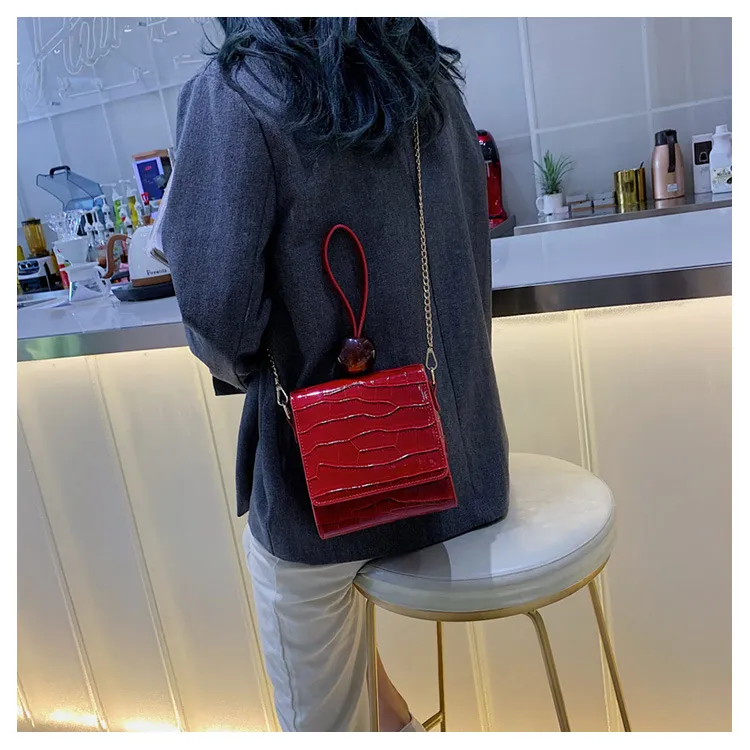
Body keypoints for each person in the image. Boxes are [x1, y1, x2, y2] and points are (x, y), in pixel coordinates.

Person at [160, 17, 509, 732]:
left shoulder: (238, 91)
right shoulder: (426, 72)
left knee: (311, 664)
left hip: (328, 497)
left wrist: (258, 364)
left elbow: (220, 318)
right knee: (363, 687)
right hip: (470, 476)